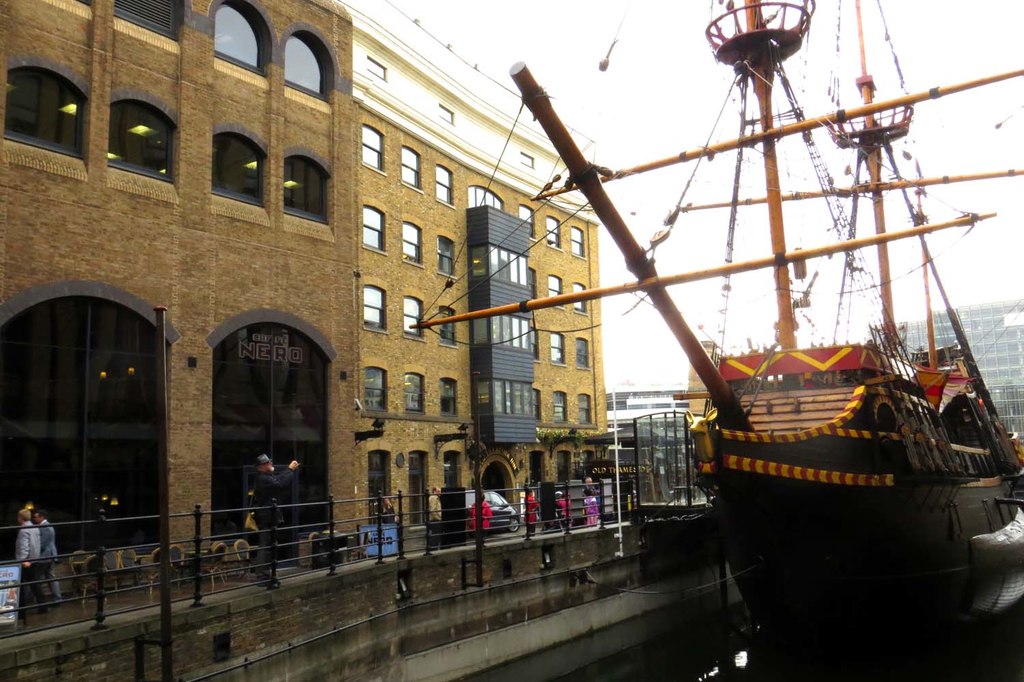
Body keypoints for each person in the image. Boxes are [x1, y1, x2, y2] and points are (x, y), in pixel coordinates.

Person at [251, 453, 299, 580]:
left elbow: (278, 480)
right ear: (261, 466)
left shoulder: (266, 477)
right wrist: (290, 470)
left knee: (270, 543)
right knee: (265, 543)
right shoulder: (262, 479)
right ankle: (261, 572)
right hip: (265, 517)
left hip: (269, 516)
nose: (271, 464)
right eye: (268, 463)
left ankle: (267, 569)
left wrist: (288, 470)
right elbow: (279, 484)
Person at [14, 509, 48, 618]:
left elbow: (24, 547)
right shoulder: (35, 527)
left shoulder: (24, 530)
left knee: (21, 586)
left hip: (26, 562)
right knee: (35, 584)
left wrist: (24, 560)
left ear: (20, 518)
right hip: (34, 560)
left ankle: (21, 612)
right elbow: (36, 545)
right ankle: (43, 607)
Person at [32, 509, 61, 603]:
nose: (34, 519)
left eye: (36, 517)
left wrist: (34, 554)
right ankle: (57, 598)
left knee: (36, 578)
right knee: (50, 577)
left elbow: (43, 543)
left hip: (45, 556)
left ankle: (39, 600)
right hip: (50, 555)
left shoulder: (45, 527)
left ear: (42, 517)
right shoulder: (46, 526)